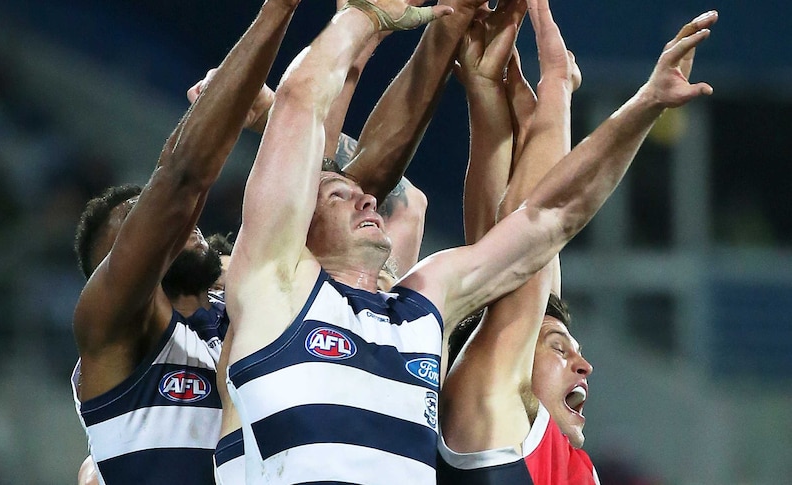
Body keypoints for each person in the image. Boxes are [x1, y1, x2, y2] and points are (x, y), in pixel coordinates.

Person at [223, 0, 717, 481]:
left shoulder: (421, 307)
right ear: (296, 222)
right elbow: (299, 102)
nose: (367, 199)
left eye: (362, 194)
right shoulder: (273, 288)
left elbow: (548, 218)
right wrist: (362, 17)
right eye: (338, 193)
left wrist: (646, 103)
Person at [437, 2, 719, 483]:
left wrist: (490, 106)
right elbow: (537, 228)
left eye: (568, 349)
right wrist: (559, 92)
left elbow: (517, 253)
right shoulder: (479, 407)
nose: (585, 365)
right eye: (559, 348)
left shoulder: (569, 464)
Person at [69, 1, 303, 483]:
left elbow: (388, 203)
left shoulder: (244, 306)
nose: (156, 225)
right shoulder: (110, 328)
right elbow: (178, 184)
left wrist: (276, 114)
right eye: (133, 221)